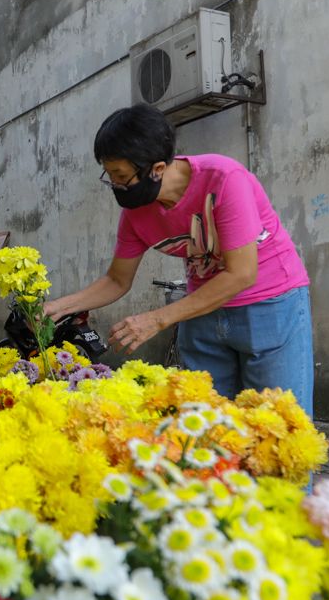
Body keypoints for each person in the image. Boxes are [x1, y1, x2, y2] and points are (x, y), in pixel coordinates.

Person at [44, 104, 313, 415]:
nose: (115, 185)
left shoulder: (223, 178)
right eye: (110, 175)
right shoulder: (136, 214)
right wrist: (58, 308)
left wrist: (157, 319)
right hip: (201, 311)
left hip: (269, 305)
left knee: (279, 423)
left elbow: (241, 273)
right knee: (207, 425)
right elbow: (117, 280)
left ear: (157, 168)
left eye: (121, 176)